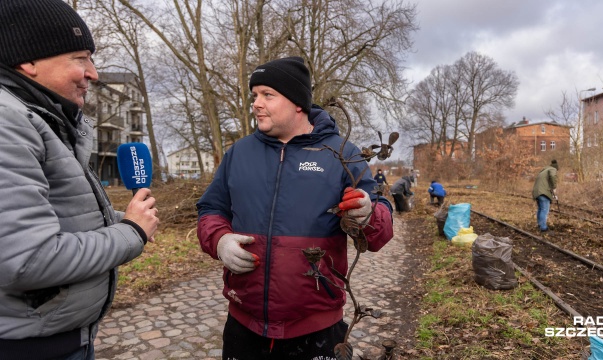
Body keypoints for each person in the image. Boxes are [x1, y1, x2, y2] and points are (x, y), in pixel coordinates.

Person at [196, 56, 394, 359]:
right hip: (243, 324)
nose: (256, 104)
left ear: (297, 102)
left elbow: (379, 232)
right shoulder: (239, 153)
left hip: (317, 329)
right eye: (254, 96)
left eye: (267, 95)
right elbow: (211, 209)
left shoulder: (341, 153)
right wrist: (219, 240)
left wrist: (368, 216)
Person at [0, 1, 160, 359]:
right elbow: (26, 260)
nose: (94, 73)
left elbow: (50, 221)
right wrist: (130, 232)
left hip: (59, 338)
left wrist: (121, 220)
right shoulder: (7, 123)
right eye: (80, 57)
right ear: (28, 61)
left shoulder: (45, 119)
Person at [532, 159, 559, 234]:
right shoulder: (552, 169)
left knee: (541, 209)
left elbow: (546, 183)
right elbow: (553, 176)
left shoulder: (544, 170)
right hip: (543, 192)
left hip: (537, 192)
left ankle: (540, 225)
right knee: (544, 210)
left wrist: (553, 194)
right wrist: (554, 187)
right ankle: (543, 229)